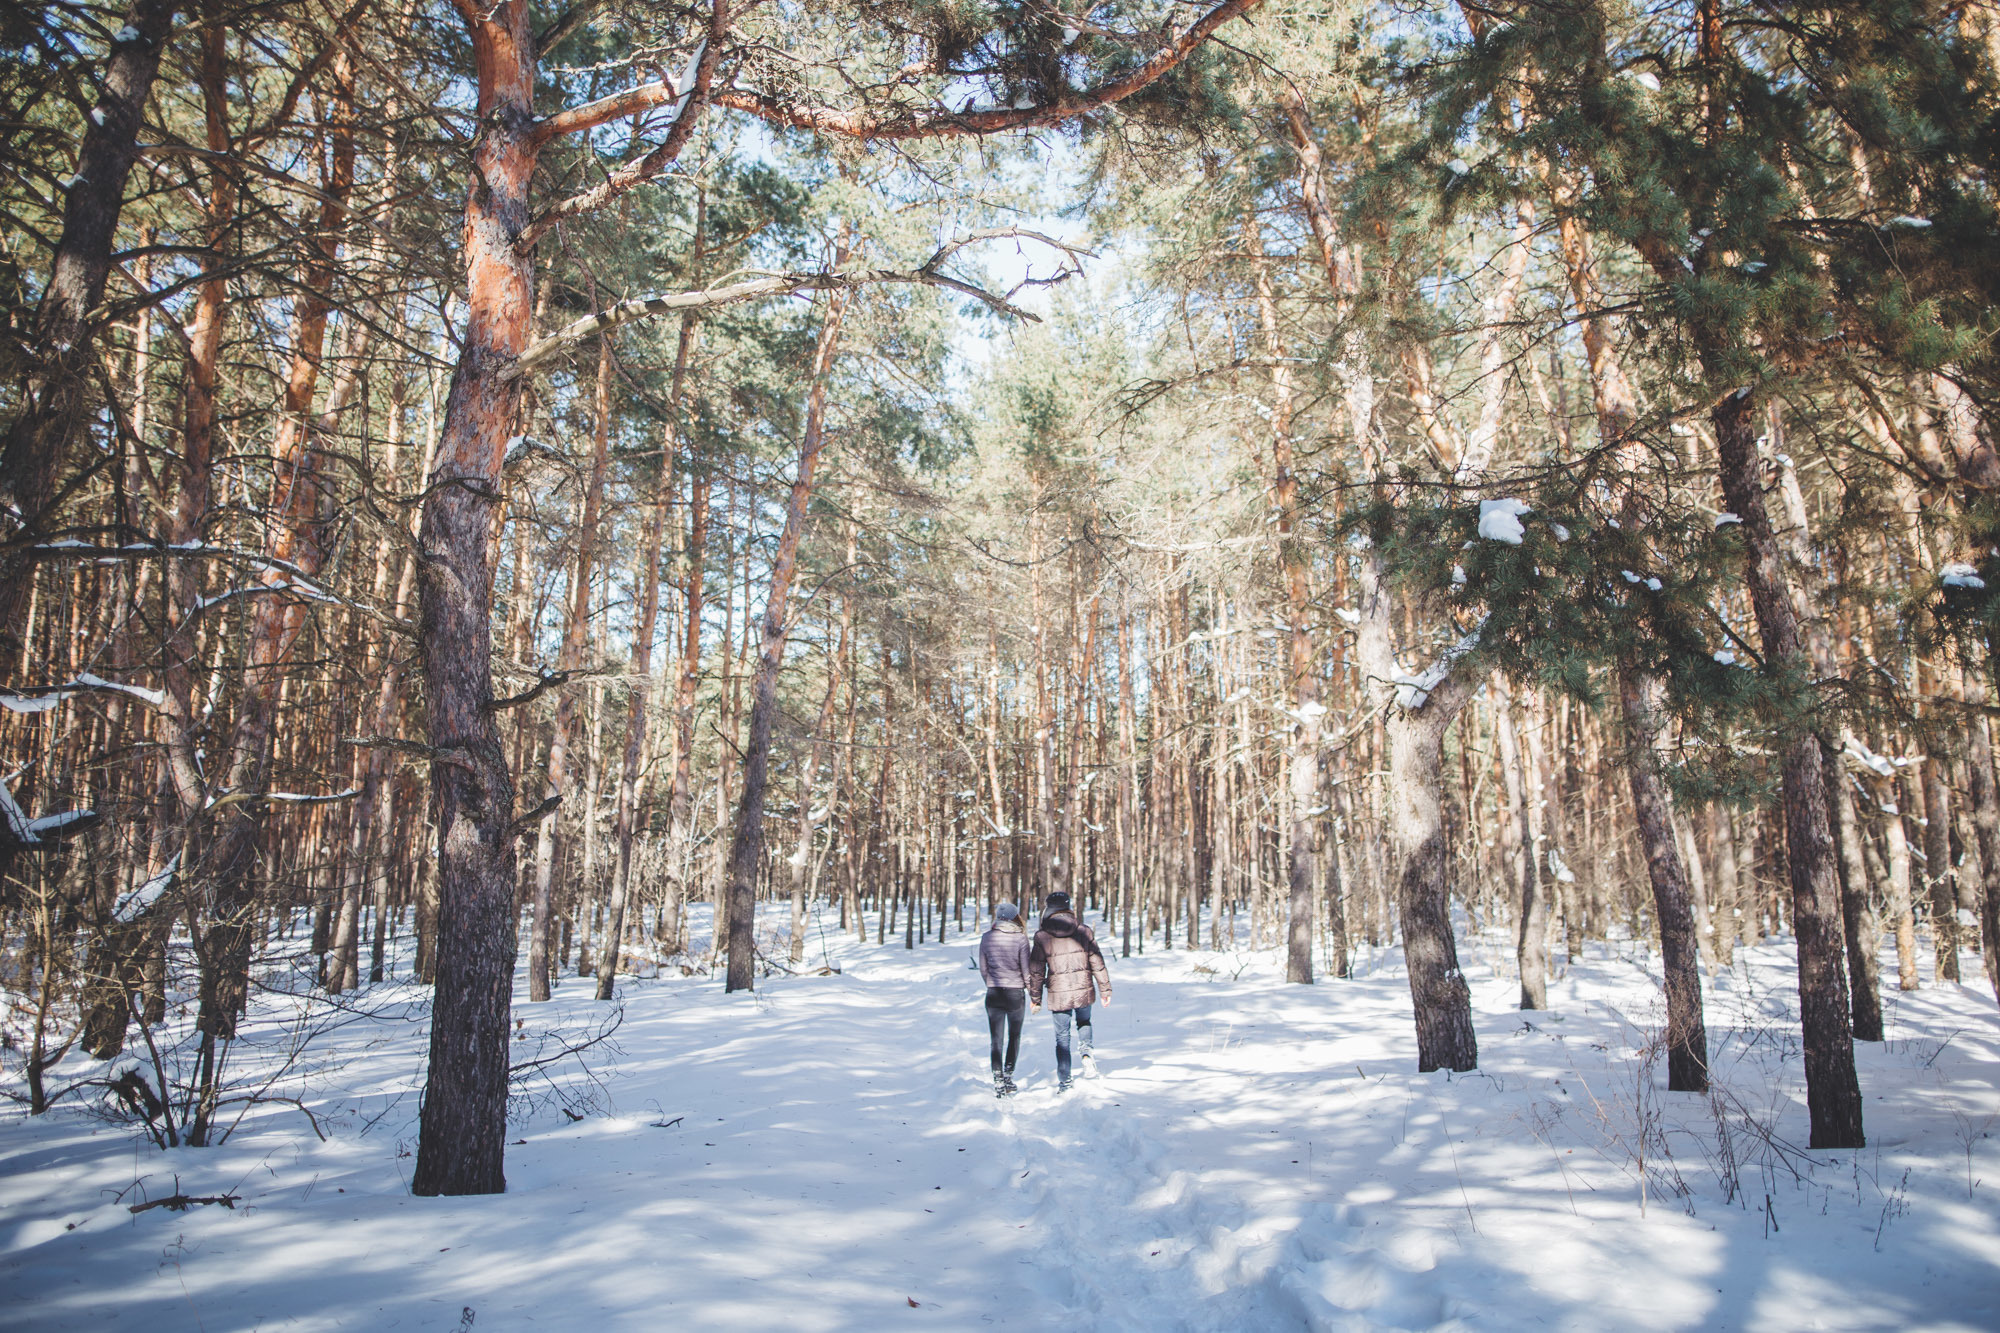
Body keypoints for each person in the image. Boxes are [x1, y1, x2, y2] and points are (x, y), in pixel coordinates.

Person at [1027, 891, 1112, 1091]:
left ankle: (1065, 1081)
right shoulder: (1084, 931)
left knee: (1062, 1037)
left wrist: (1035, 997)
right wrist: (1105, 990)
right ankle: (1086, 1052)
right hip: (1084, 989)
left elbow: (1037, 970)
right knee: (1084, 1022)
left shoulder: (1042, 936)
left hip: (1059, 994)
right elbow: (1097, 962)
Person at [977, 902, 1032, 1097]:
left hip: (993, 993)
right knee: (1014, 1036)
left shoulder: (987, 937)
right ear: (1015, 917)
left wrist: (991, 982)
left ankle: (998, 1078)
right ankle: (1008, 1076)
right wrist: (1033, 993)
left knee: (996, 1039)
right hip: (1015, 994)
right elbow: (1026, 970)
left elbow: (983, 968)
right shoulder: (1021, 939)